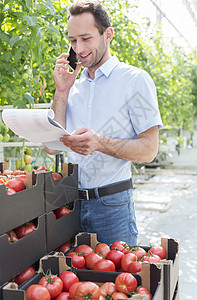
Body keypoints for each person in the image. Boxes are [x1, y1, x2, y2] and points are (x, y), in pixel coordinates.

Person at [44, 0, 163, 245]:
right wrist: (61, 91)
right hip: (70, 204)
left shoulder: (135, 81)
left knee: (115, 280)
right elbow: (51, 147)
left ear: (108, 34)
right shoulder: (71, 86)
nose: (79, 48)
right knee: (72, 281)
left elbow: (149, 150)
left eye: (86, 38)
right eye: (73, 40)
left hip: (112, 206)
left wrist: (99, 142)